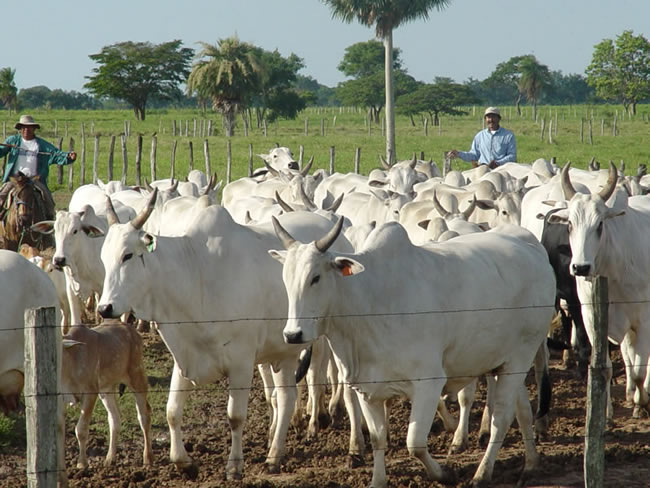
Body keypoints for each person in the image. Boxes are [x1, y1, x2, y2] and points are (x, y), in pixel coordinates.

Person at [0, 114, 76, 219]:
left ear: (34, 128)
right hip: (15, 180)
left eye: (29, 127)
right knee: (1, 197)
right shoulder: (12, 141)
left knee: (48, 201)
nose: (26, 130)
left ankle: (48, 227)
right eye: (23, 127)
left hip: (34, 180)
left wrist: (69, 157)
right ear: (20, 129)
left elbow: (57, 154)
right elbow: (1, 151)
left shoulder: (42, 145)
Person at [447, 107, 516, 169]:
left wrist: (498, 163)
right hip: (482, 169)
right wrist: (459, 154)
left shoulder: (508, 135)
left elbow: (512, 156)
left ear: (499, 119)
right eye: (488, 117)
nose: (491, 120)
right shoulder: (479, 136)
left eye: (494, 117)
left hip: (501, 170)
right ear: (485, 119)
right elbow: (474, 155)